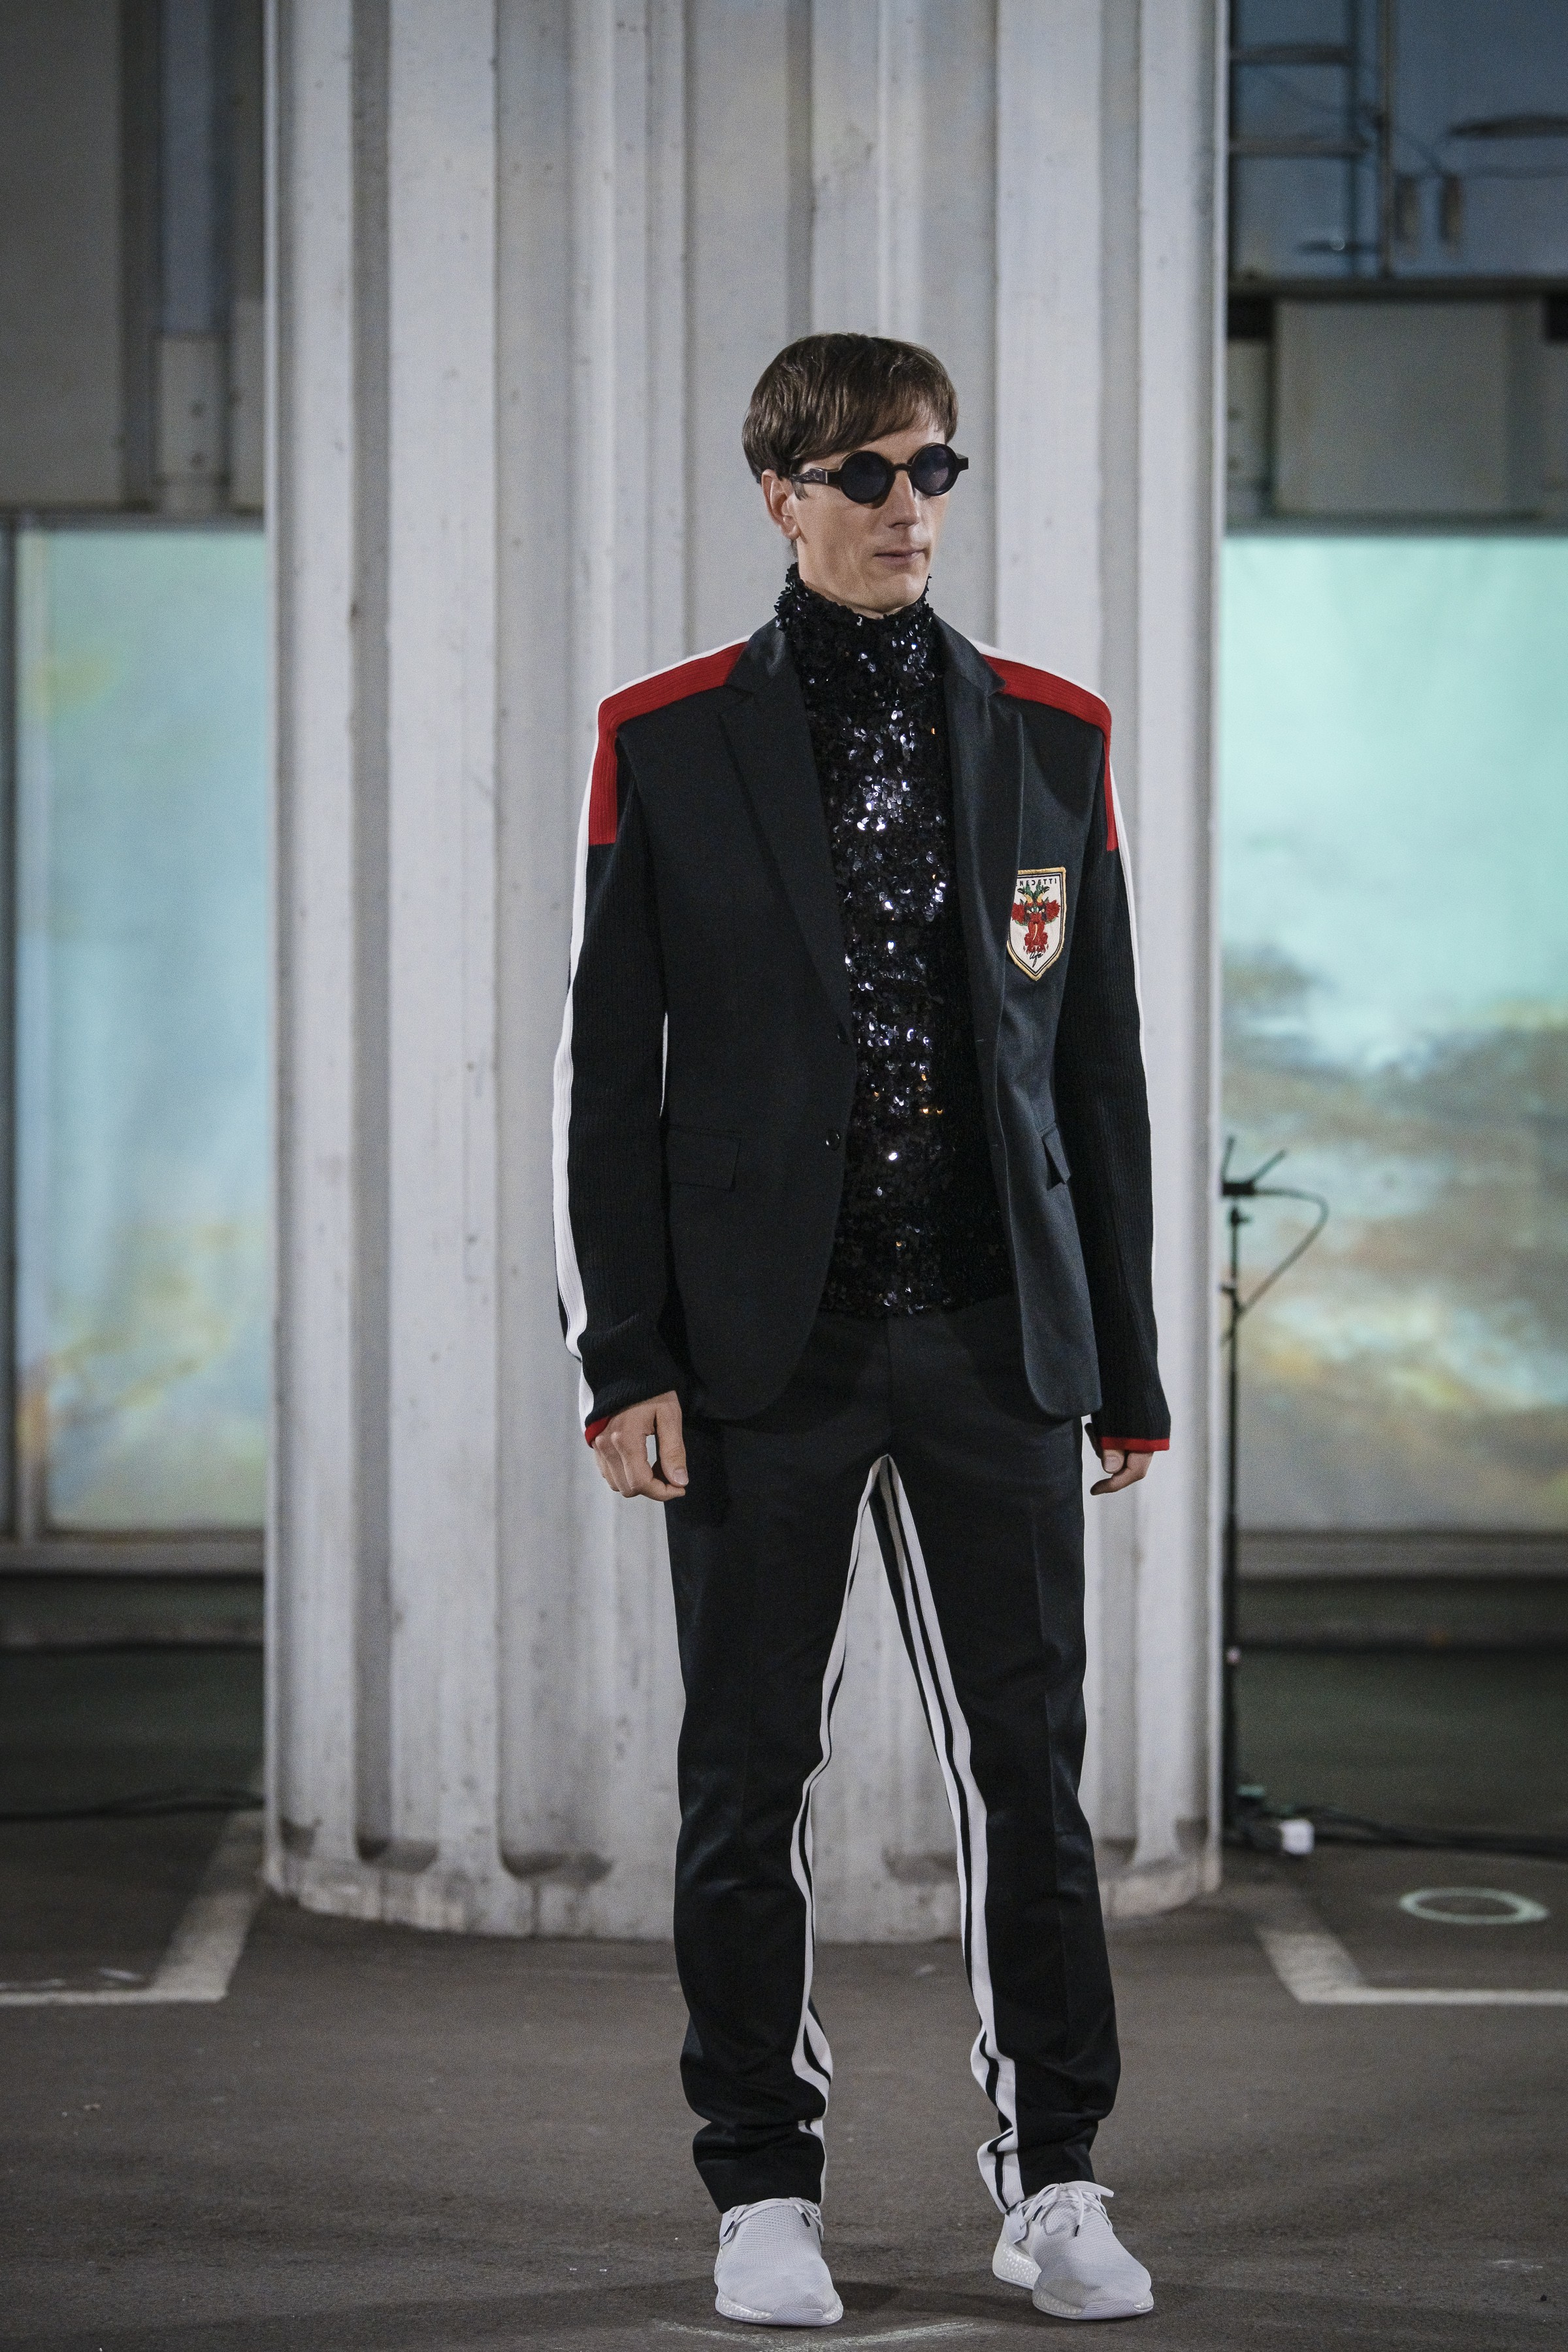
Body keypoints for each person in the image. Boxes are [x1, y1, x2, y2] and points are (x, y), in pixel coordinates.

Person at [553, 333, 1168, 2327]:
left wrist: (1128, 1360)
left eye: (935, 472)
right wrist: (622, 1357)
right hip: (760, 1355)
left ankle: (1053, 2176)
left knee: (1030, 1779)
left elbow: (1099, 1072)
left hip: (998, 1340)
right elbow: (604, 1079)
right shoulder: (661, 738)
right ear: (783, 496)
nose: (913, 509)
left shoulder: (1056, 736)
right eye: (872, 475)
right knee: (748, 1783)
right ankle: (761, 2188)